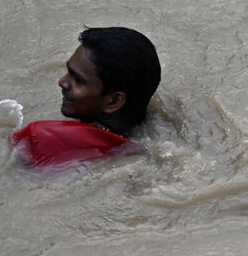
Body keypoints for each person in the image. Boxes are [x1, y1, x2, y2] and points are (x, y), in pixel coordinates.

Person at [12, 27, 162, 167]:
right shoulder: (140, 147)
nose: (62, 82)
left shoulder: (39, 139)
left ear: (114, 101)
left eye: (77, 79)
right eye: (68, 71)